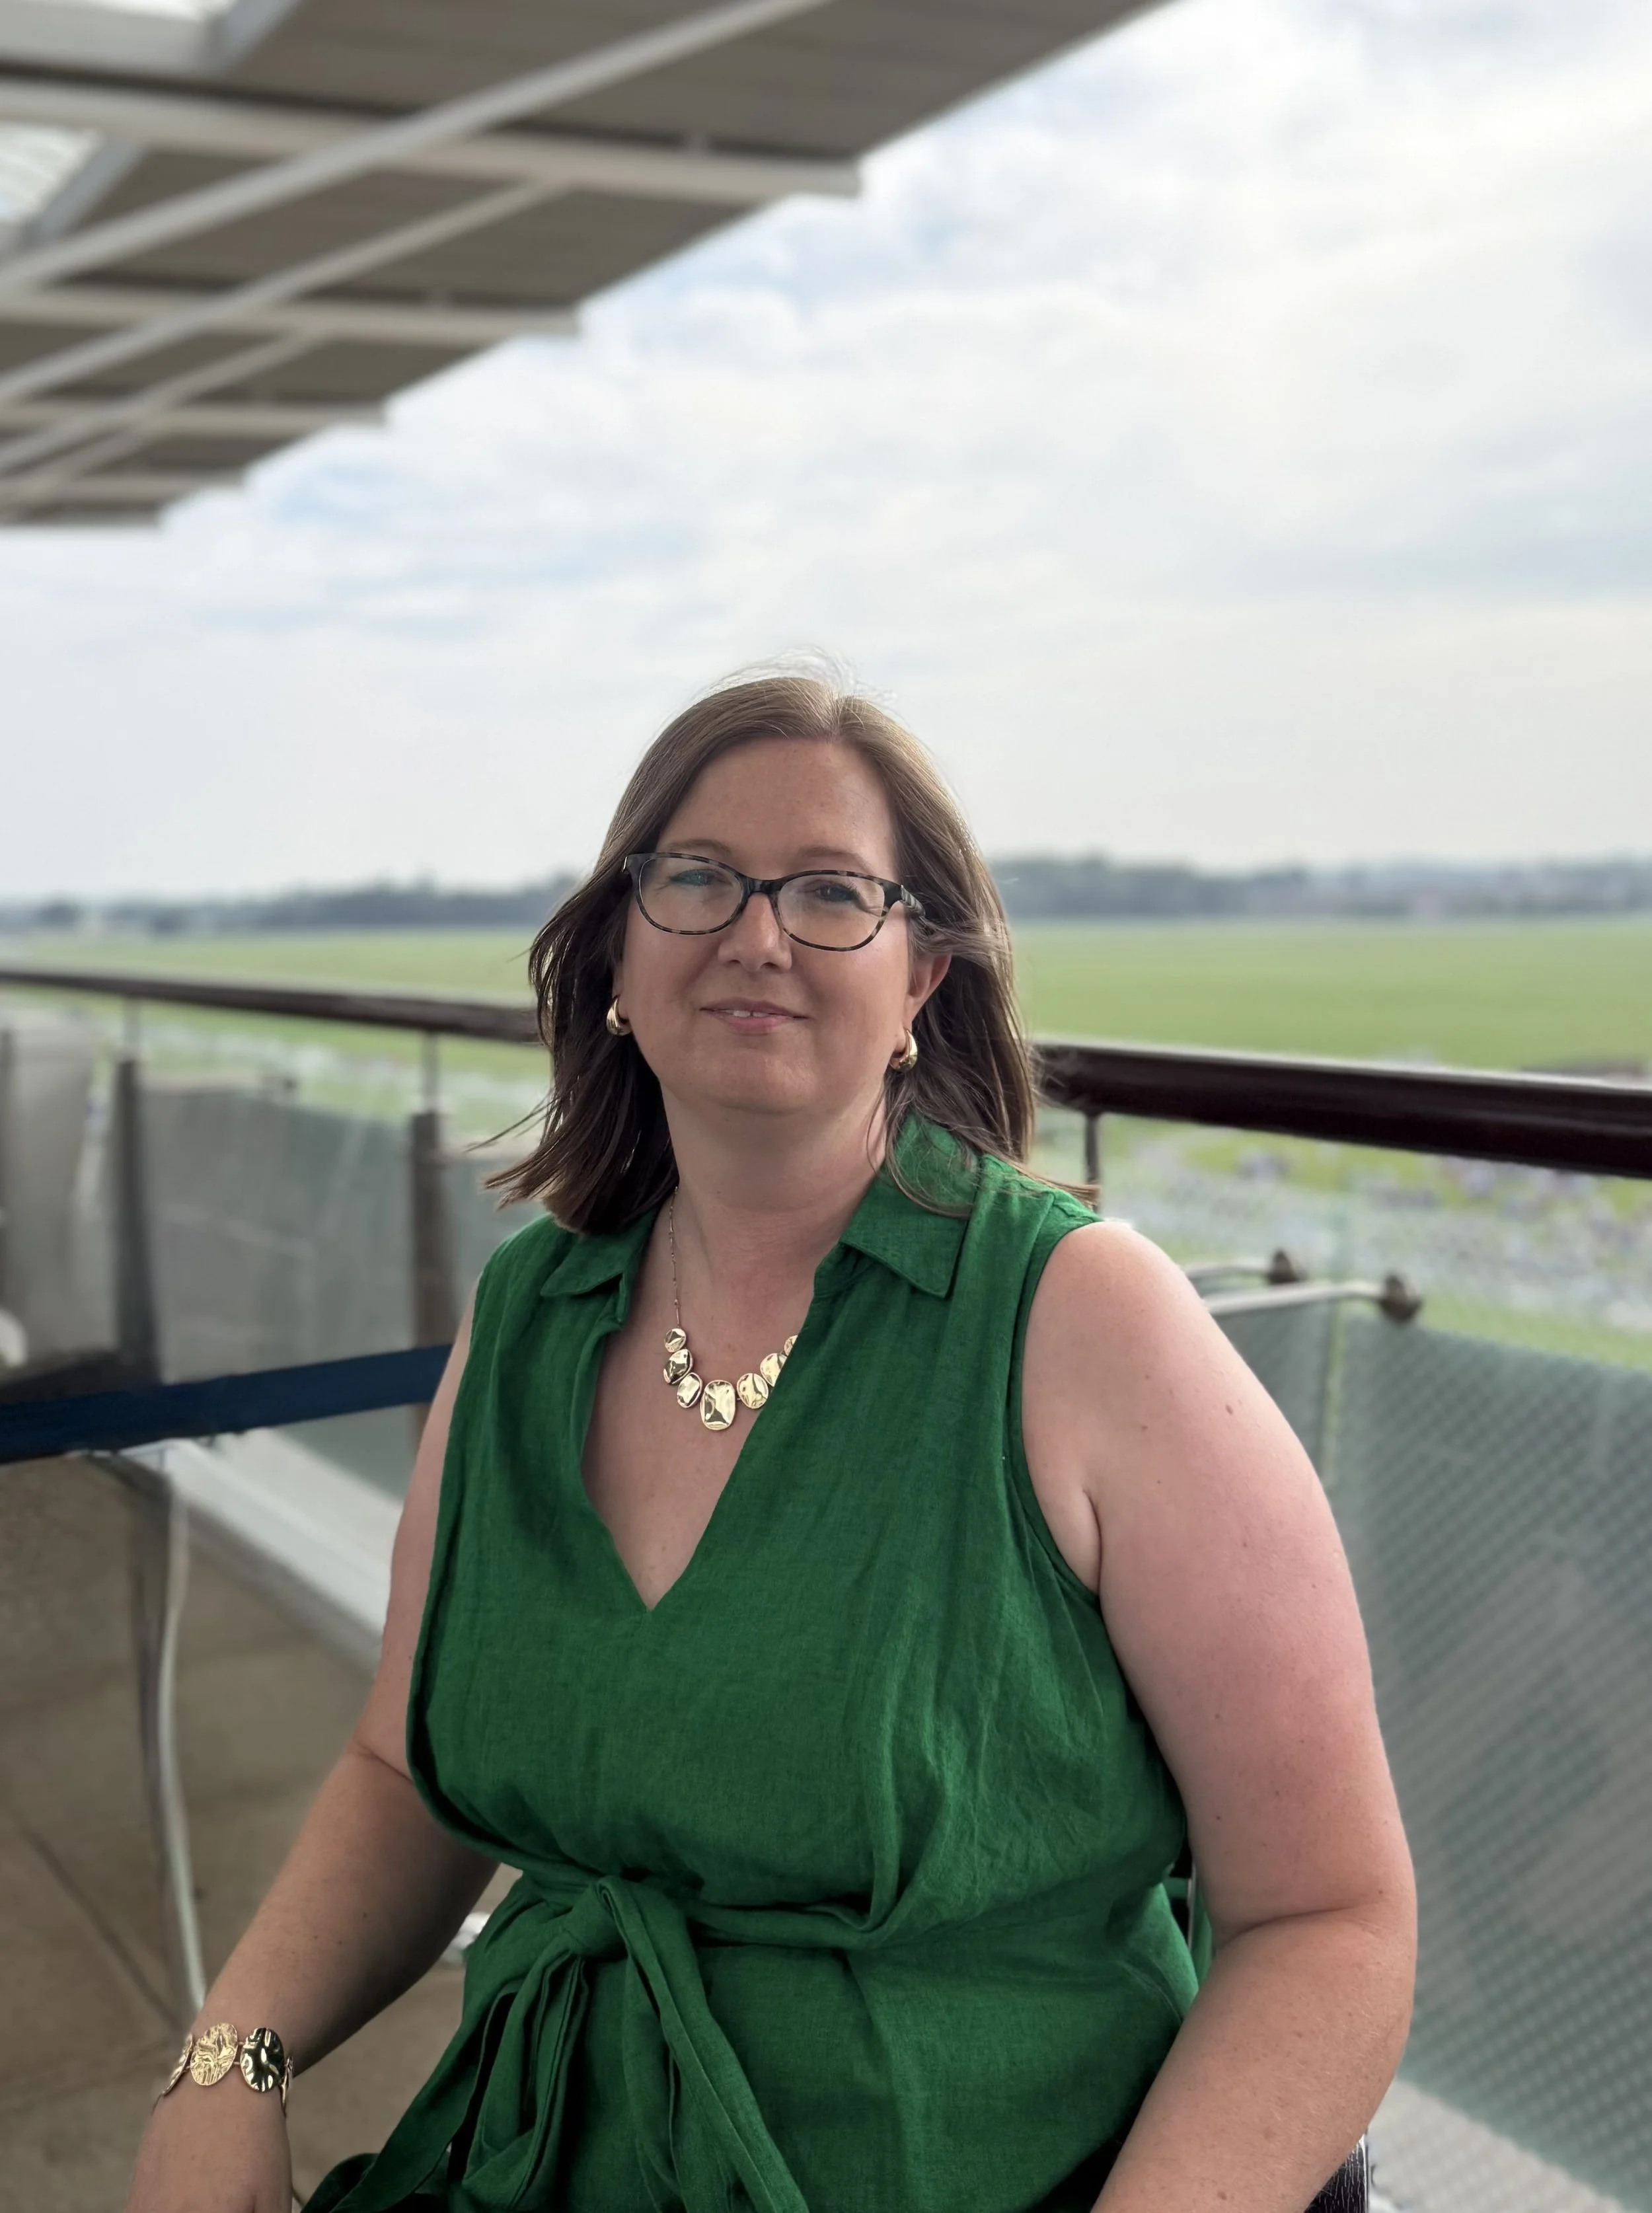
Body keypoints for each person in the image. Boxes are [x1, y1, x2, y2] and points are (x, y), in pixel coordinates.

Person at [126, 673, 1415, 2213]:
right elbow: (405, 1770)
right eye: (695, 878)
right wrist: (228, 2063)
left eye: (829, 893)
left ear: (922, 977)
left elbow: (1326, 1919)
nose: (754, 934)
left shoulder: (1080, 1323)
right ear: (616, 947)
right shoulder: (527, 1315)